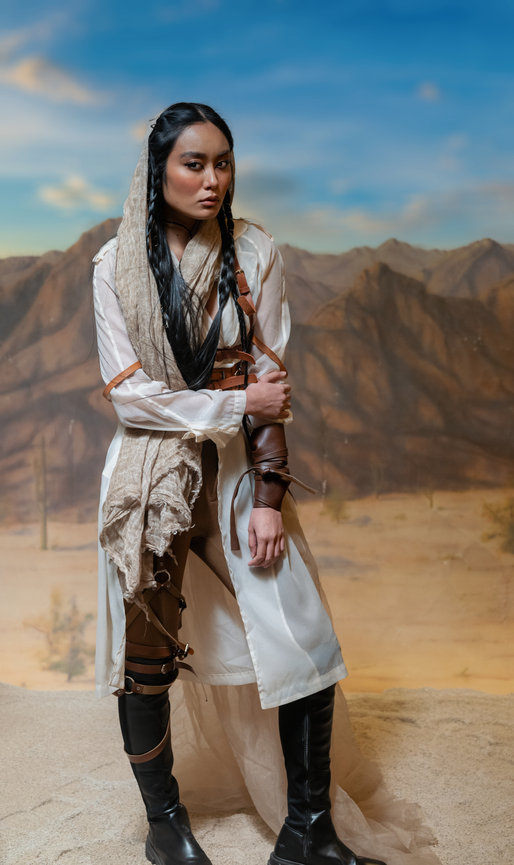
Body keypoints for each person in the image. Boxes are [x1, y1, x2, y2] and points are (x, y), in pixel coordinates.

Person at [92, 103, 432, 865]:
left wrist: (271, 493)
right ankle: (165, 825)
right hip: (150, 482)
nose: (213, 180)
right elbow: (131, 396)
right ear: (157, 171)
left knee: (301, 638)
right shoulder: (112, 268)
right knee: (143, 654)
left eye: (224, 163)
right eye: (193, 163)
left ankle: (308, 828)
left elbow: (271, 378)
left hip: (240, 471)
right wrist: (235, 400)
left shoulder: (253, 254)